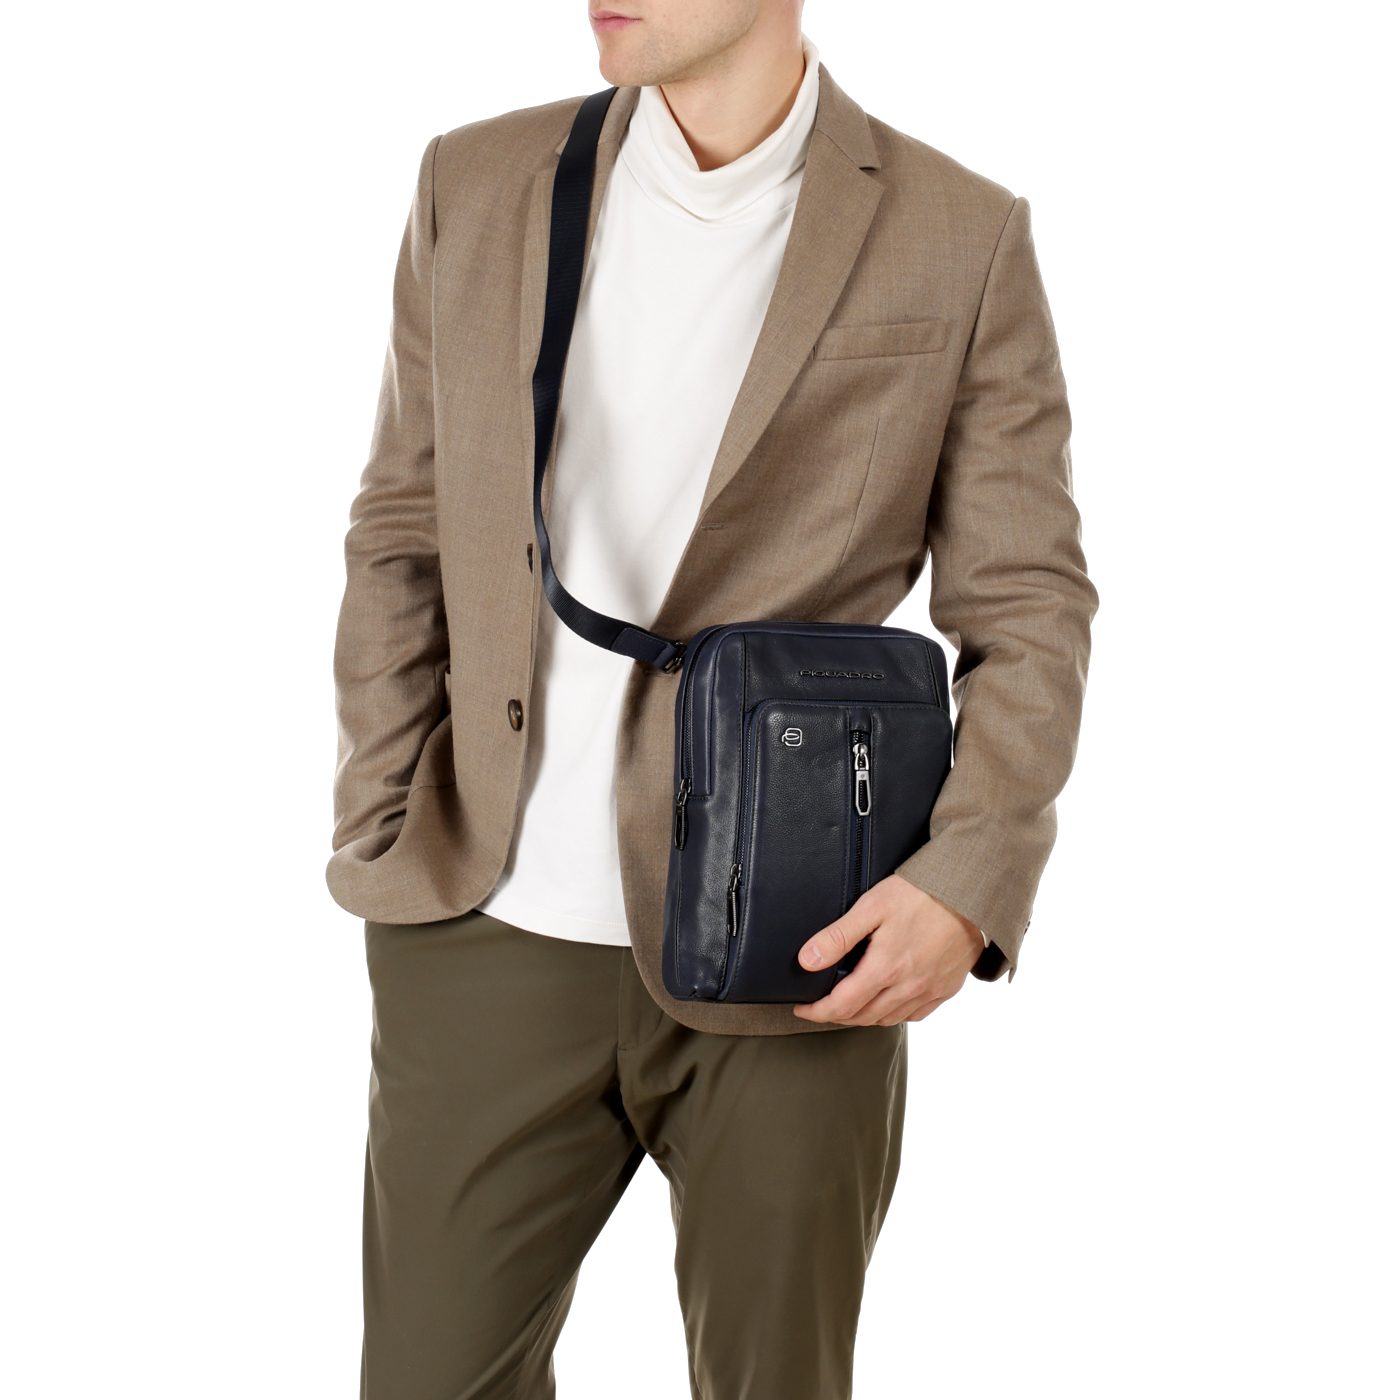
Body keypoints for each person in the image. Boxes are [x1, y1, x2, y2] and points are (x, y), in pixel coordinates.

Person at [330, 1, 1096, 1394]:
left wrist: (968, 880)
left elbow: (1029, 598)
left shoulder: (961, 231)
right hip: (485, 923)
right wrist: (386, 821)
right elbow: (402, 526)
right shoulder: (475, 180)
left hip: (800, 950)